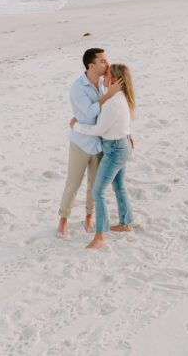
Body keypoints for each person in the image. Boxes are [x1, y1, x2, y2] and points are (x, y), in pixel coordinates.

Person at [57, 48, 123, 238]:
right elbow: (89, 112)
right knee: (73, 183)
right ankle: (63, 219)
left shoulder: (105, 82)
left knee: (94, 185)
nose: (107, 64)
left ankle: (88, 217)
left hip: (100, 143)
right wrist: (108, 95)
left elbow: (114, 109)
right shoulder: (78, 88)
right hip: (81, 142)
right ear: (91, 65)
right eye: (102, 61)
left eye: (106, 60)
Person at [70, 63, 135, 250]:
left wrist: (75, 125)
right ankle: (125, 221)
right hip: (121, 145)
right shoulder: (121, 98)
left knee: (98, 192)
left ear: (114, 80)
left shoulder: (112, 103)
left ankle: (99, 236)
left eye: (106, 75)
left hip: (115, 149)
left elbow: (97, 129)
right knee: (119, 186)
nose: (103, 78)